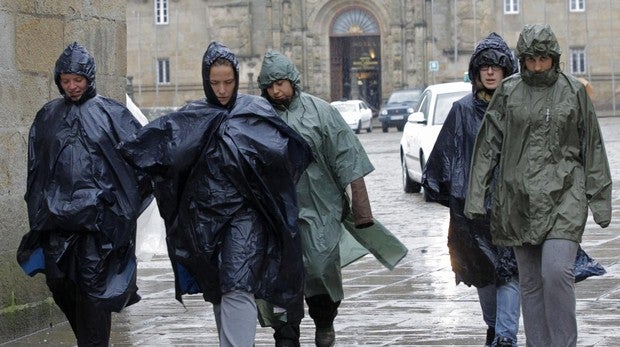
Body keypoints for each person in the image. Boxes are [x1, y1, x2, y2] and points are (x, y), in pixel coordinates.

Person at [119, 41, 313, 347]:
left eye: (228, 82)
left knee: (238, 282)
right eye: (215, 83)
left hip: (247, 217)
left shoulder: (255, 111)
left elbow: (286, 157)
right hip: (206, 220)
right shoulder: (193, 117)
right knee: (221, 287)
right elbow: (157, 149)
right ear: (206, 81)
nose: (222, 90)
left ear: (237, 79)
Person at [464, 24, 612, 347]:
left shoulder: (572, 92)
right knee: (529, 282)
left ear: (554, 58)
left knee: (557, 272)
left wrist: (599, 199)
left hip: (565, 197)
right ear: (522, 59)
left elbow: (593, 147)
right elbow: (488, 144)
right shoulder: (508, 92)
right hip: (518, 200)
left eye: (543, 58)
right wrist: (476, 197)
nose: (537, 65)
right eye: (530, 59)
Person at [16, 42, 152, 346]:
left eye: (77, 80)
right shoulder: (48, 116)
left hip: (97, 229)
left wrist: (116, 212)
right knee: (59, 282)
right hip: (56, 224)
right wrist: (40, 214)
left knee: (93, 295)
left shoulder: (112, 115)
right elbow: (36, 170)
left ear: (89, 78)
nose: (72, 87)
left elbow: (143, 166)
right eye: (65, 81)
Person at [257, 50, 376, 347]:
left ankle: (324, 321)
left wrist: (361, 208)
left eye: (280, 83)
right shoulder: (258, 115)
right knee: (281, 274)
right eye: (270, 85)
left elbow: (347, 156)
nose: (276, 90)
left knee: (322, 267)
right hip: (276, 215)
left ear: (293, 81)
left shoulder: (321, 112)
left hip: (320, 208)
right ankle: (285, 334)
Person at [423, 32, 520, 347]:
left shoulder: (517, 109)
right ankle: (494, 329)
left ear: (507, 70)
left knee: (510, 271)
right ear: (476, 71)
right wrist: (455, 197)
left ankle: (505, 336)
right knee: (484, 275)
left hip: (512, 211)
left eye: (497, 66)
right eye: (484, 66)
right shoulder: (462, 110)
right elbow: (442, 160)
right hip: (474, 214)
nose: (490, 72)